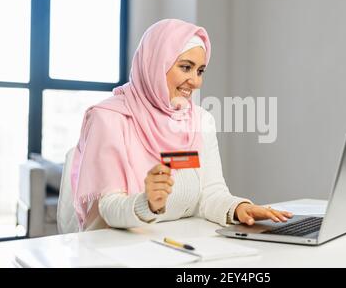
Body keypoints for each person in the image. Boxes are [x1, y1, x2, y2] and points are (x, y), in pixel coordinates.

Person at [71, 19, 292, 231]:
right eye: (186, 67)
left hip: (178, 244)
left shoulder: (201, 120)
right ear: (156, 64)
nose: (195, 81)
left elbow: (211, 192)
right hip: (120, 249)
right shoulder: (108, 118)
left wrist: (239, 208)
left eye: (200, 71)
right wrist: (147, 203)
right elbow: (108, 208)